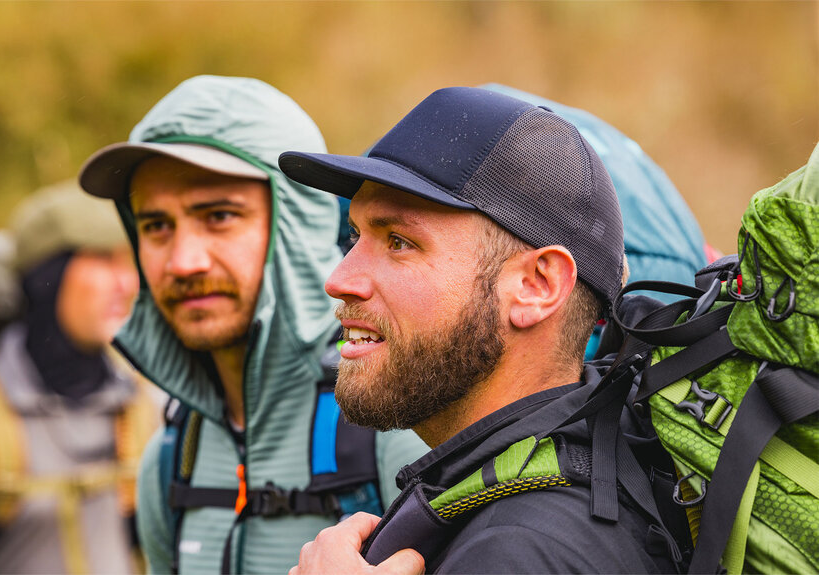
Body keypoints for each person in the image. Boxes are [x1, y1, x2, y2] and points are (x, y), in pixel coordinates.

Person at [278, 87, 682, 573]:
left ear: (537, 285)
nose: (339, 279)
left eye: (399, 242)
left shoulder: (521, 552)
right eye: (354, 236)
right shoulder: (565, 480)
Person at [78, 75, 427, 574]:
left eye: (218, 216)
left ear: (296, 223)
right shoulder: (171, 457)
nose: (183, 261)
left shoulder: (399, 424)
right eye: (155, 225)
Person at [0, 181, 156, 574]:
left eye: (128, 262)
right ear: (48, 275)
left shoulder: (149, 407)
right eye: (102, 259)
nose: (127, 284)